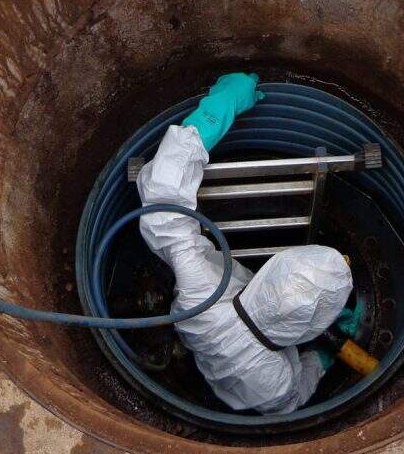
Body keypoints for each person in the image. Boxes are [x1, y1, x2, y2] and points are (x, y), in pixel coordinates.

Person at [136, 72, 360, 414]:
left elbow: (163, 206)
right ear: (311, 330)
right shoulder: (275, 383)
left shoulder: (202, 293)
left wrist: (215, 112)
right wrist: (322, 358)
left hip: (202, 331)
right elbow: (293, 399)